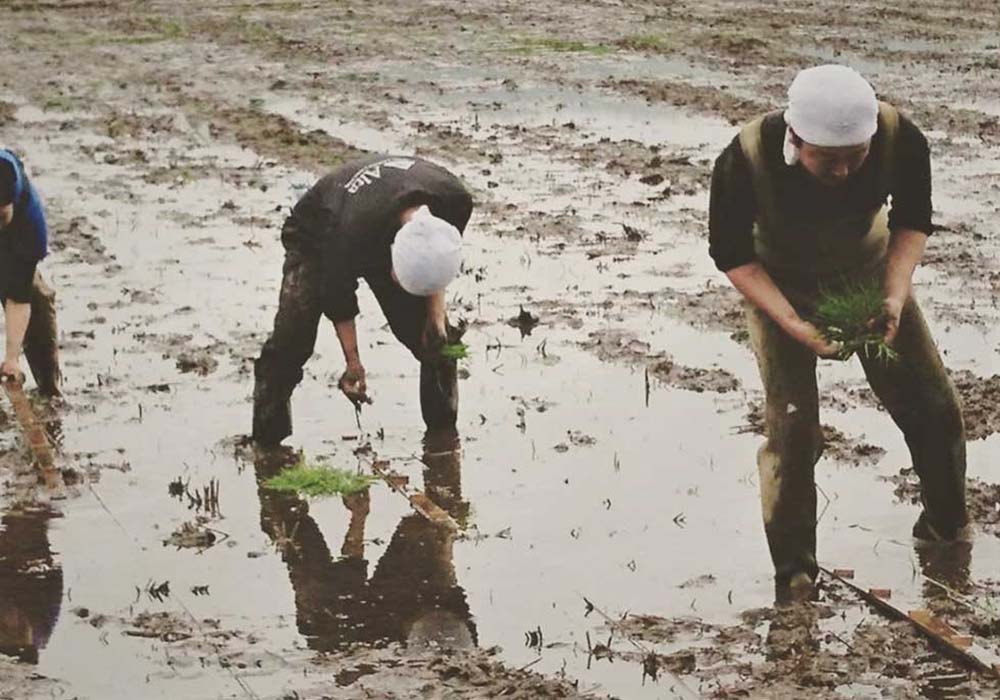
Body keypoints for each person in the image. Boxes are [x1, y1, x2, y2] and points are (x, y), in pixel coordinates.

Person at [708, 65, 967, 600]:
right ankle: (796, 574)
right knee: (794, 434)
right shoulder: (747, 157)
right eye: (829, 161)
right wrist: (796, 326)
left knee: (934, 407)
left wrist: (894, 295)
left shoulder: (899, 138)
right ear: (795, 140)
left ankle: (945, 531)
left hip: (868, 276)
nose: (845, 172)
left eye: (856, 157)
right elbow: (731, 255)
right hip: (779, 285)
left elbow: (913, 219)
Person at [253, 155, 473, 446]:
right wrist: (353, 363)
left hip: (378, 216)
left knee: (435, 341)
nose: (394, 282)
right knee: (292, 339)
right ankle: (268, 440)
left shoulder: (454, 199)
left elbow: (437, 258)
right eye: (398, 276)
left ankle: (442, 436)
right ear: (392, 252)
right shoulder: (342, 239)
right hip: (317, 235)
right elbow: (337, 297)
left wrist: (435, 320)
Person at [0, 148, 60, 396]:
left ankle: (49, 389)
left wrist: (11, 359)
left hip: (13, 244)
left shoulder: (30, 226)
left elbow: (19, 298)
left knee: (36, 299)